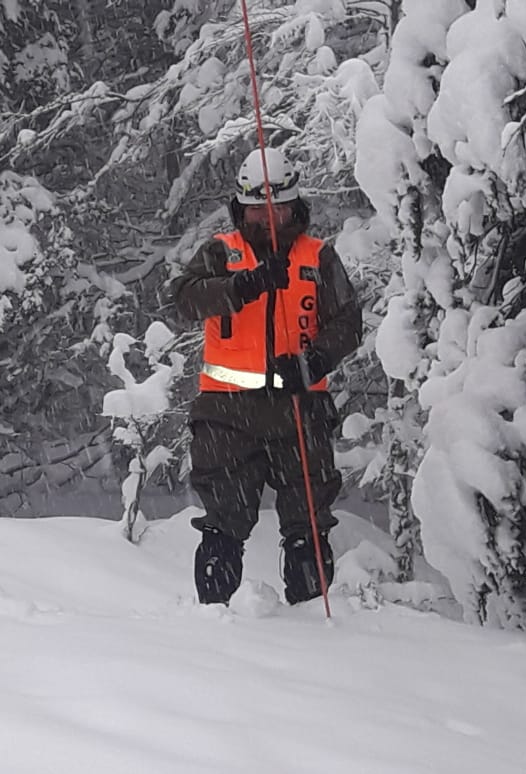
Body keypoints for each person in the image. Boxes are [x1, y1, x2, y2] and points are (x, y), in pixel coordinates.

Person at [170, 147, 362, 606]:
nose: (268, 218)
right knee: (224, 523)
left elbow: (348, 322)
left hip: (301, 409)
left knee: (309, 525)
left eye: (278, 208)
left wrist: (313, 362)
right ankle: (216, 622)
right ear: (242, 208)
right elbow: (184, 300)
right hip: (227, 414)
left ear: (296, 207)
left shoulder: (319, 258)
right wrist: (242, 286)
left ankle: (315, 623)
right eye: (258, 209)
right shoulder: (222, 252)